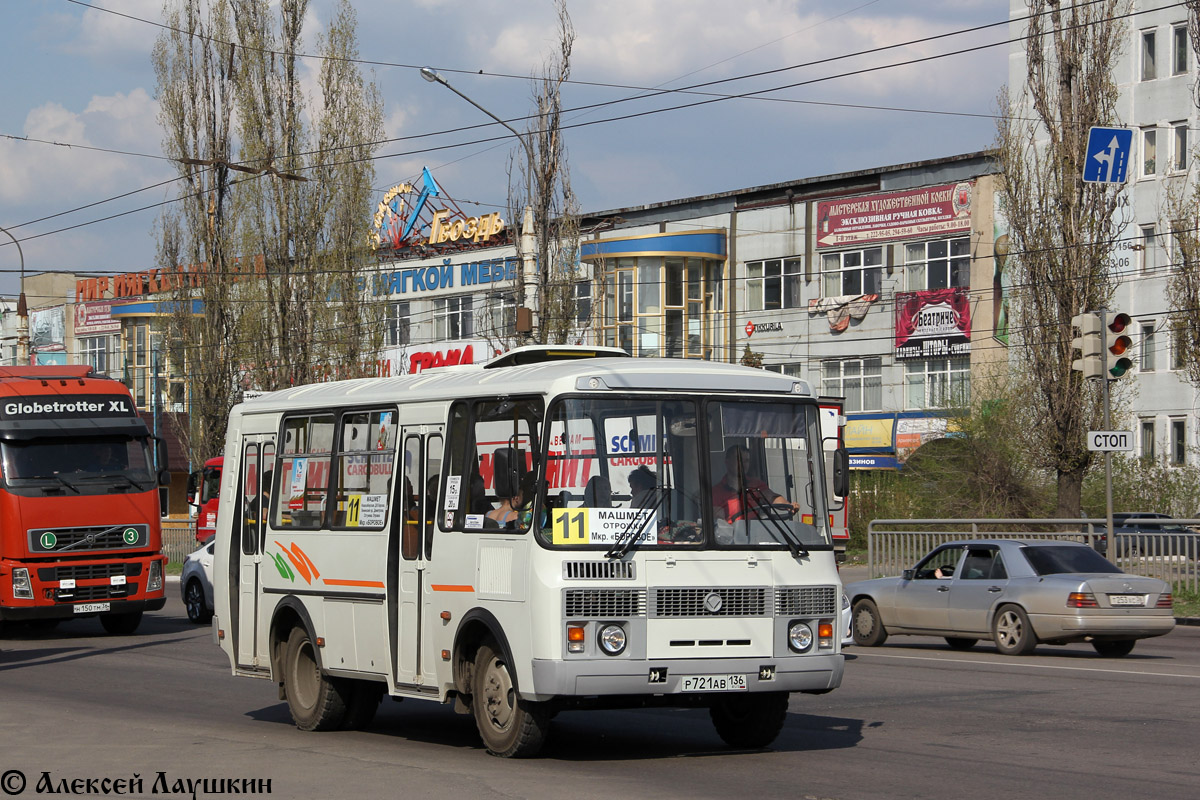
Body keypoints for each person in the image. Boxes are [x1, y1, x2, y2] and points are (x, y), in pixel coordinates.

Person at [712, 444, 798, 522]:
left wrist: (788, 506)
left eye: (747, 461)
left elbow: (771, 497)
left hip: (756, 533)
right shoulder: (716, 492)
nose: (744, 464)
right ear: (727, 462)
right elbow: (719, 519)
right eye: (739, 460)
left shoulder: (756, 485)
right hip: (732, 536)